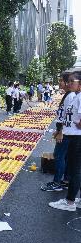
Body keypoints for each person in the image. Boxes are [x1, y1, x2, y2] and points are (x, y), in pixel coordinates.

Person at [49, 71, 81, 211]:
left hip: (76, 137)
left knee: (76, 169)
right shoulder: (76, 96)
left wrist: (71, 127)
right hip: (73, 135)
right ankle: (74, 200)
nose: (68, 83)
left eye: (71, 81)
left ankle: (69, 202)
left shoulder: (79, 97)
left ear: (79, 84)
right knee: (76, 169)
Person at [41, 72, 73, 192]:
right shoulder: (68, 95)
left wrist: (61, 132)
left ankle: (57, 182)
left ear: (67, 82)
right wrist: (58, 130)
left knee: (59, 156)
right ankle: (65, 180)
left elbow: (68, 117)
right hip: (64, 130)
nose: (59, 83)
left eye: (61, 81)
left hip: (66, 132)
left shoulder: (70, 97)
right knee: (64, 156)